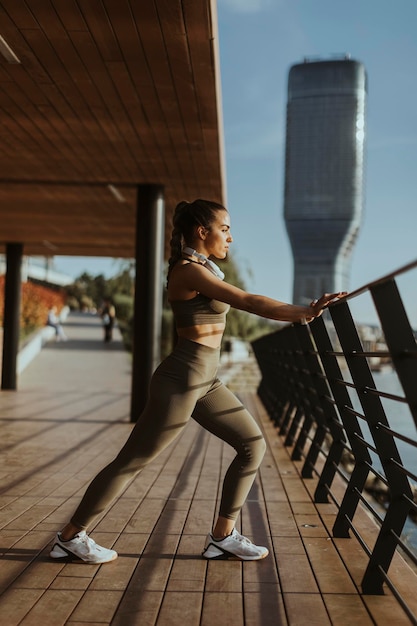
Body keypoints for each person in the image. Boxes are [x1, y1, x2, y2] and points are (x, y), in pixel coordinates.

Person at [49, 199, 345, 564]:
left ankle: (223, 536)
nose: (231, 238)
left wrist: (303, 313)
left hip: (206, 382)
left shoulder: (202, 268)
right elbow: (248, 301)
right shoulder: (187, 270)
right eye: (225, 229)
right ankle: (70, 537)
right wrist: (306, 311)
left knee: (253, 444)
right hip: (181, 381)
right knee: (133, 460)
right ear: (202, 232)